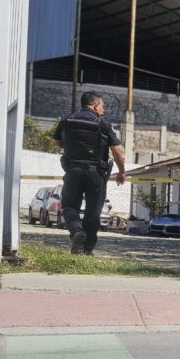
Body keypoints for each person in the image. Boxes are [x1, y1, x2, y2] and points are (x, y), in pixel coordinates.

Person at [52, 91, 126, 255]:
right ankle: (87, 249)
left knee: (70, 206)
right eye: (102, 107)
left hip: (73, 170)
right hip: (96, 173)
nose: (103, 110)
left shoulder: (67, 120)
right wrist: (121, 172)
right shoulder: (103, 124)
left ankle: (77, 231)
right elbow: (117, 152)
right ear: (95, 105)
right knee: (93, 211)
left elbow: (56, 142)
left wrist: (74, 147)